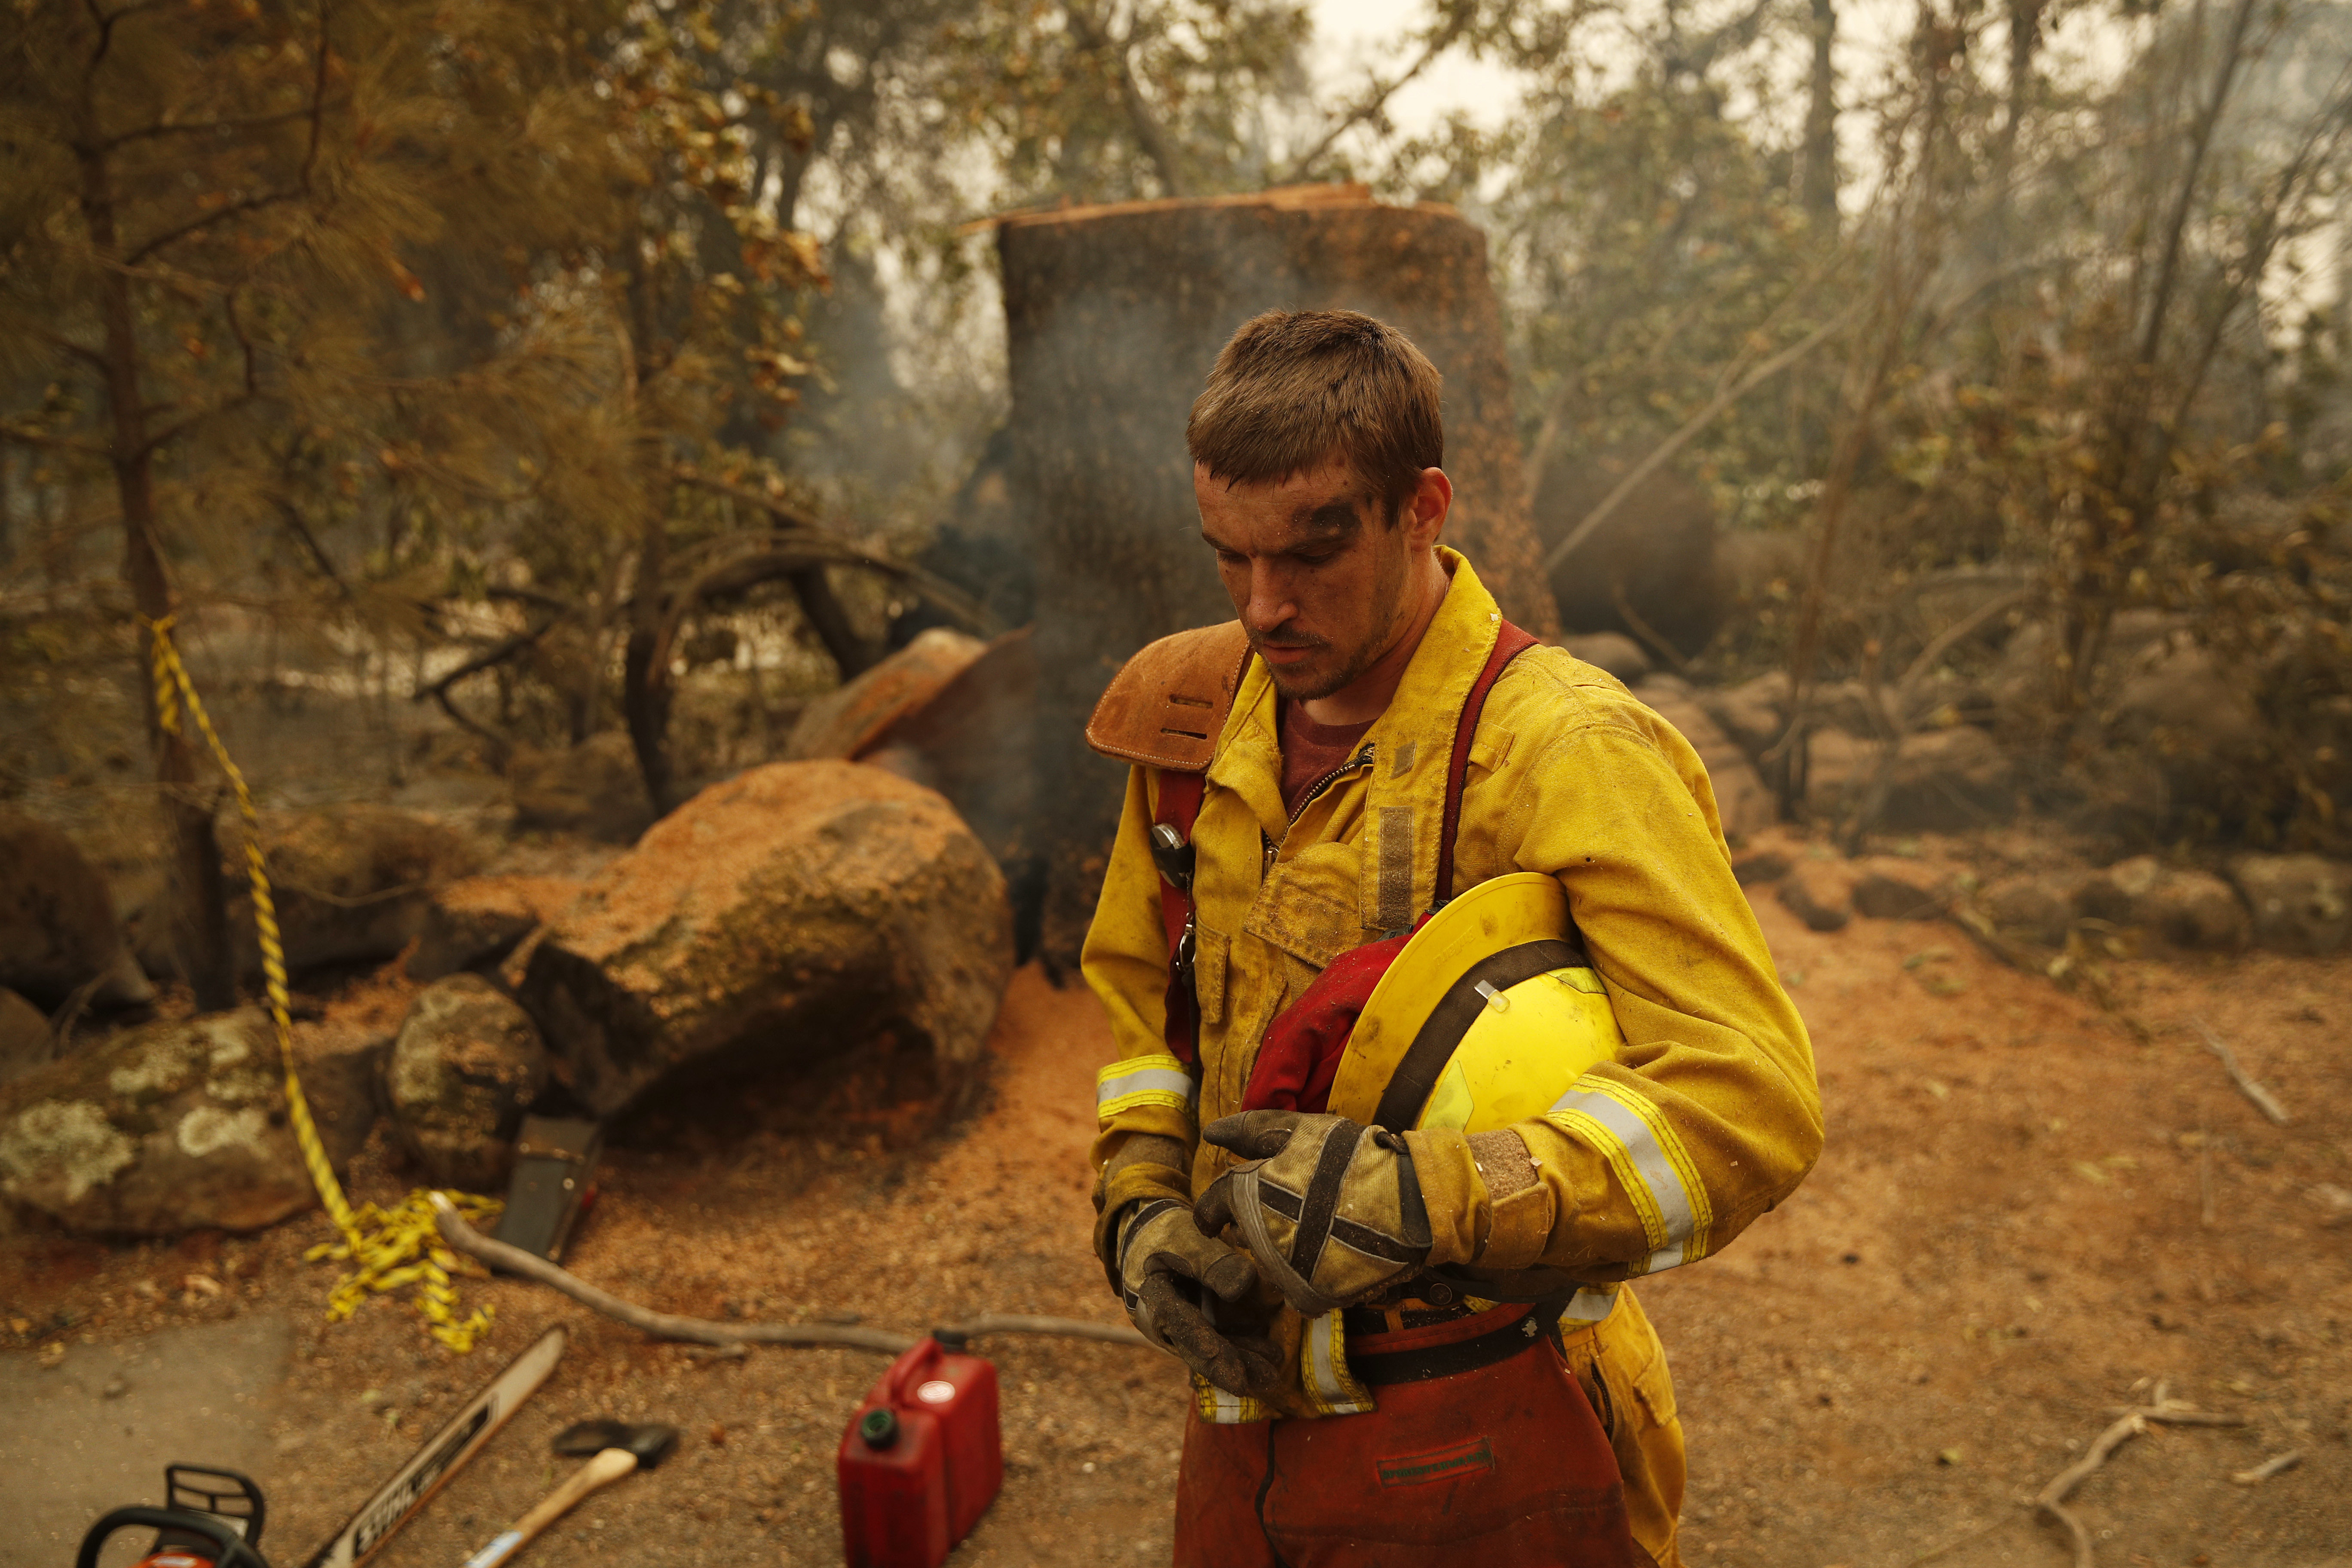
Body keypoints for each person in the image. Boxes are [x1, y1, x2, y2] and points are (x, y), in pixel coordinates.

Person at [1080, 308, 1822, 1568]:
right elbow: (1147, 1015)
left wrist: (1436, 1195)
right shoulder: (1191, 715)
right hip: (1243, 1427)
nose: (1264, 608)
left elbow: (1751, 1100)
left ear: (1423, 507)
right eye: (1229, 557)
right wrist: (1141, 1209)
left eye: (1314, 553)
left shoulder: (1565, 749)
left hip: (1504, 1428)